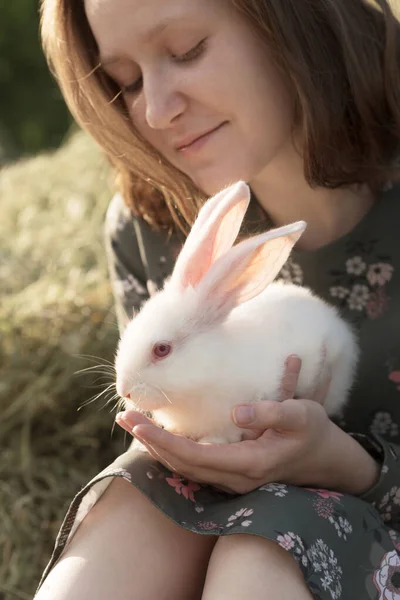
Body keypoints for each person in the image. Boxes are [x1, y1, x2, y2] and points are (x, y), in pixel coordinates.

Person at [35, 0, 400, 598]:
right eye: (126, 81)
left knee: (264, 549)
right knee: (138, 506)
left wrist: (345, 466)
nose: (155, 110)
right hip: (217, 523)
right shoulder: (149, 224)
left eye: (186, 51)